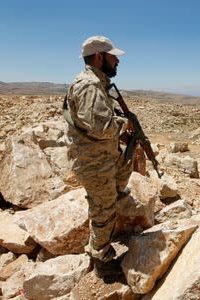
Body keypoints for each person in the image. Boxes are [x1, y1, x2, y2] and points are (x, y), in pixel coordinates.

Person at [63, 35, 134, 277]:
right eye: (113, 56)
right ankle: (101, 257)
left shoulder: (98, 82)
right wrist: (125, 124)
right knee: (102, 208)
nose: (117, 61)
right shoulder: (89, 85)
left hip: (103, 156)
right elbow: (101, 127)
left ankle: (109, 229)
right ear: (98, 57)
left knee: (112, 198)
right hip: (93, 161)